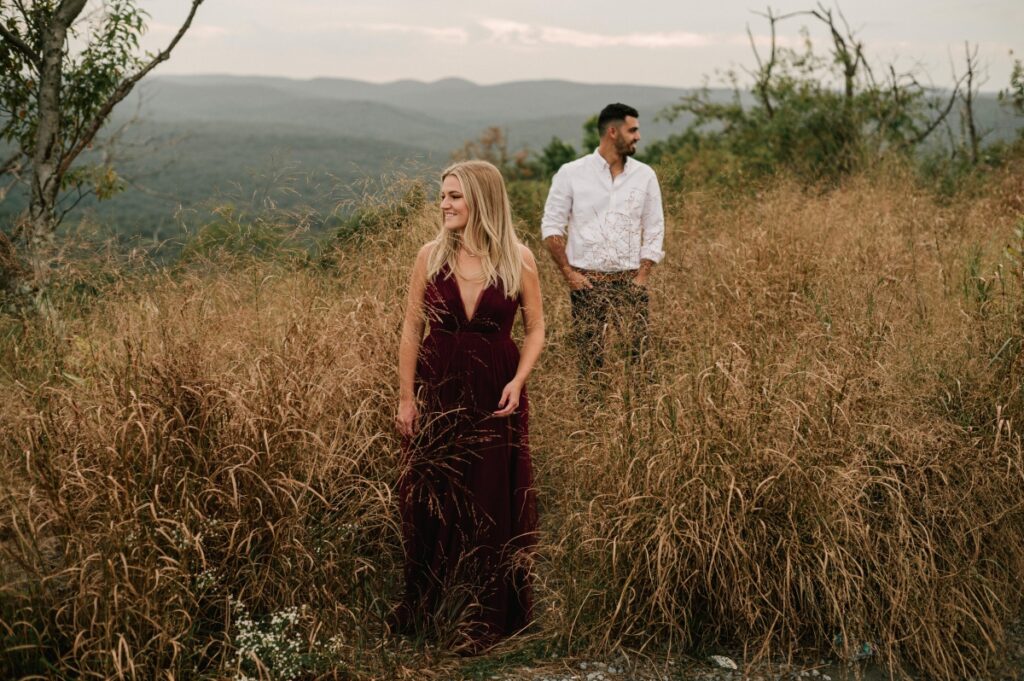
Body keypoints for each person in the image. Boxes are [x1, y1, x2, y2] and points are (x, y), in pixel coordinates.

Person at [393, 160, 544, 651]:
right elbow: (412, 328)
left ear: (481, 198)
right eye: (443, 196)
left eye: (454, 196)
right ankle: (433, 610)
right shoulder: (429, 257)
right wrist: (405, 396)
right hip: (439, 388)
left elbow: (537, 328)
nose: (444, 204)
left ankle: (486, 619)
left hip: (496, 389)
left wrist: (519, 380)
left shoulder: (518, 259)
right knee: (436, 494)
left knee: (490, 497)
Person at [540, 102, 664, 390]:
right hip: (587, 285)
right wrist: (569, 273)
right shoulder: (571, 173)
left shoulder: (645, 175)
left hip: (630, 283)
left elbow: (655, 227)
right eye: (632, 130)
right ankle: (593, 427)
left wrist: (642, 278)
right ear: (612, 132)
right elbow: (552, 227)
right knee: (590, 363)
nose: (638, 136)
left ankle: (637, 425)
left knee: (640, 363)